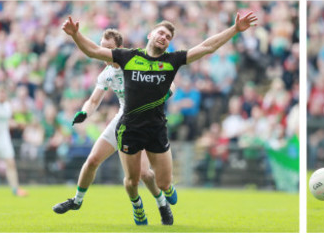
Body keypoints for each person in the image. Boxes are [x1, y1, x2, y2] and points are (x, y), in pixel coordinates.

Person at [61, 11, 257, 225]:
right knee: (133, 180)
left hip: (156, 128)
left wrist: (235, 29)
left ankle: (164, 196)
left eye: (168, 37)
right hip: (129, 128)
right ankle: (135, 208)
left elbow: (207, 47)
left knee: (163, 183)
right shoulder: (128, 57)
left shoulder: (172, 61)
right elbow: (93, 51)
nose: (164, 37)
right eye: (161, 33)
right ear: (150, 35)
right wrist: (75, 35)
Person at [52, 28, 176, 226]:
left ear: (119, 49)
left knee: (144, 174)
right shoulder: (107, 73)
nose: (104, 52)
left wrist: (162, 96)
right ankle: (77, 201)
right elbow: (93, 101)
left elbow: (169, 85)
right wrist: (84, 112)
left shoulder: (135, 61)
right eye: (103, 47)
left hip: (145, 120)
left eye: (108, 48)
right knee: (92, 160)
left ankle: (162, 203)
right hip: (123, 119)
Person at [0, 84, 28, 197]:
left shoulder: (7, 106)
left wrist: (18, 124)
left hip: (4, 138)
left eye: (3, 92)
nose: (2, 95)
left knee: (11, 163)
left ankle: (15, 189)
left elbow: (8, 122)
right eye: (0, 92)